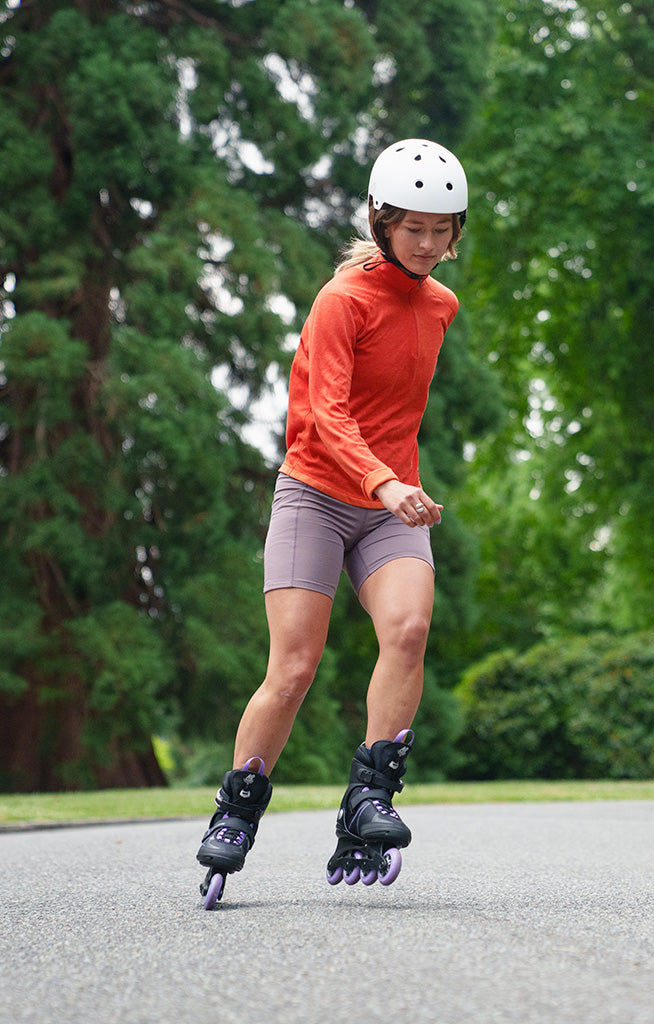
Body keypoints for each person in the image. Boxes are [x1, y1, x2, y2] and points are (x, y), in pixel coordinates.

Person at [197, 138, 468, 900]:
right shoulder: (342, 300)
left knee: (409, 629)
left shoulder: (441, 306)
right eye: (412, 228)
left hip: (390, 507)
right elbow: (326, 414)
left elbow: (395, 413)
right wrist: (383, 482)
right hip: (316, 495)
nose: (426, 243)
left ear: (456, 232)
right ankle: (236, 813)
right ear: (382, 223)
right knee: (293, 669)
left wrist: (394, 488)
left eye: (440, 229)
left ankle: (368, 799)